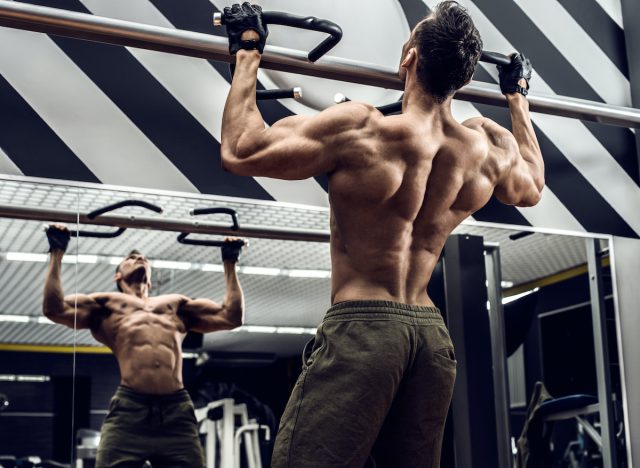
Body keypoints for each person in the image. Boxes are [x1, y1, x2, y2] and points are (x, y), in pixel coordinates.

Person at [220, 2, 544, 467]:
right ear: (465, 80)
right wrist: (518, 95)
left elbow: (241, 149)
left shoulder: (362, 129)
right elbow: (530, 186)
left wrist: (248, 48)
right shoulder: (486, 147)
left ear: (408, 58)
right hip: (431, 340)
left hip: (365, 326)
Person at [42, 224, 246, 468]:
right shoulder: (106, 305)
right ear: (117, 276)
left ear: (150, 281)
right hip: (130, 411)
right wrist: (57, 250)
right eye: (130, 258)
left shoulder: (175, 304)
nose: (138, 258)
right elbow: (55, 309)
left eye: (143, 258)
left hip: (176, 412)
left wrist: (230, 261)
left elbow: (231, 316)